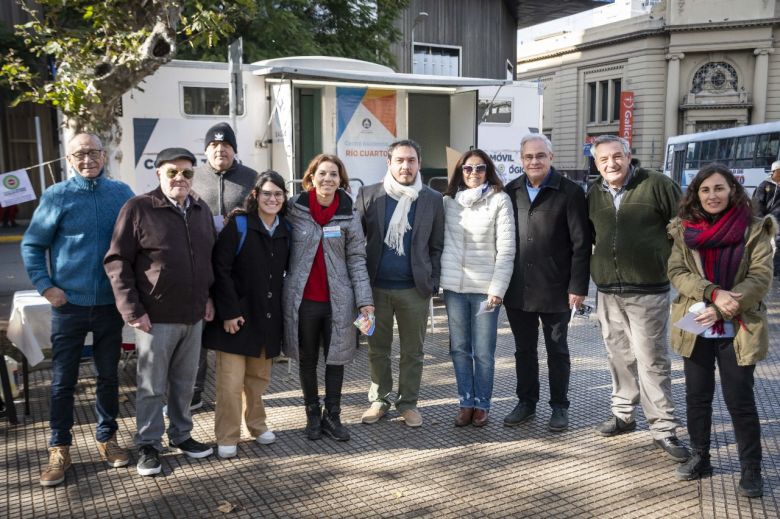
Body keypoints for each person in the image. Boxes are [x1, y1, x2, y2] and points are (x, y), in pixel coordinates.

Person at [22, 133, 134, 487]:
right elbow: (32, 245)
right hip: (68, 306)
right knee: (62, 382)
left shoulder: (121, 194)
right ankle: (59, 447)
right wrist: (46, 286)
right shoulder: (57, 196)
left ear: (104, 155)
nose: (88, 159)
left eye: (94, 152)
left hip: (108, 306)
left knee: (108, 377)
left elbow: (139, 240)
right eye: (80, 154)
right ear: (69, 160)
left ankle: (107, 438)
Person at [104, 147, 216, 476]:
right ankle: (148, 444)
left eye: (187, 173)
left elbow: (206, 259)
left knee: (184, 383)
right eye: (172, 172)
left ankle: (181, 435)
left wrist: (208, 297)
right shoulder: (138, 208)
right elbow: (117, 261)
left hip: (193, 315)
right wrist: (133, 310)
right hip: (154, 318)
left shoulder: (200, 209)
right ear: (158, 174)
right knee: (152, 386)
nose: (180, 178)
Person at [668, 164, 773, 497]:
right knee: (697, 397)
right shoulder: (685, 230)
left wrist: (724, 307)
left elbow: (760, 278)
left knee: (739, 399)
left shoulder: (755, 229)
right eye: (705, 190)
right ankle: (701, 457)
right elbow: (676, 270)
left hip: (738, 326)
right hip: (696, 323)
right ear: (696, 194)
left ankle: (750, 469)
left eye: (719, 188)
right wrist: (711, 293)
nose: (712, 195)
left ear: (733, 190)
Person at [587, 135, 690, 462]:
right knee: (618, 357)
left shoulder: (657, 184)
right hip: (608, 291)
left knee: (651, 360)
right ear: (596, 163)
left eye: (617, 156)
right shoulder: (595, 193)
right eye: (603, 160)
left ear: (629, 156)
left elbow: (685, 230)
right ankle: (623, 415)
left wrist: (682, 274)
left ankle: (663, 427)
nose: (611, 164)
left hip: (648, 291)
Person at [502, 135, 590, 432]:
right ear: (521, 159)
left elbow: (581, 244)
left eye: (540, 156)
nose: (534, 161)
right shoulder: (510, 191)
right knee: (523, 351)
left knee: (558, 351)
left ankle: (559, 407)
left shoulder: (570, 192)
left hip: (556, 289)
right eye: (529, 157)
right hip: (518, 289)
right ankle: (526, 403)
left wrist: (577, 287)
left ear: (551, 157)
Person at [282, 154, 373, 441]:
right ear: (311, 177)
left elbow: (357, 258)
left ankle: (332, 416)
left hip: (339, 302)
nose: (328, 179)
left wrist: (364, 300)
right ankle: (312, 414)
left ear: (340, 181)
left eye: (334, 174)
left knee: (336, 359)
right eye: (322, 173)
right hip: (304, 300)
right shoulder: (294, 209)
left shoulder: (348, 213)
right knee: (307, 359)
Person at [355, 139, 445, 427]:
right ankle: (379, 400)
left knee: (413, 352)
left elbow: (437, 246)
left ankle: (408, 403)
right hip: (374, 290)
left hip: (414, 290)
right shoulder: (370, 195)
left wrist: (433, 282)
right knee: (377, 349)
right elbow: (356, 243)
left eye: (411, 160)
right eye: (400, 160)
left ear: (419, 163)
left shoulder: (432, 199)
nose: (405, 166)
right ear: (389, 163)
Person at [202, 171, 290, 458]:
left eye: (278, 194)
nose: (272, 198)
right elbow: (220, 269)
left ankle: (257, 424)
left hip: (266, 320)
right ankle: (227, 435)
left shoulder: (285, 229)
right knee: (229, 383)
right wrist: (228, 312)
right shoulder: (239, 225)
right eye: (267, 193)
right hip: (235, 319)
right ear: (255, 195)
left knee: (258, 380)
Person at [440, 149, 515, 427]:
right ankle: (466, 402)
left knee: (483, 351)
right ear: (459, 172)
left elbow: (507, 250)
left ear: (488, 171)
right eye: (468, 169)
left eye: (480, 168)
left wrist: (498, 288)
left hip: (486, 290)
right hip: (454, 290)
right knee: (459, 349)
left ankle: (483, 404)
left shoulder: (499, 200)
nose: (473, 173)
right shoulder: (448, 202)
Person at [192, 122, 259, 411]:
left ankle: (243, 392)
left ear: (234, 149)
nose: (220, 150)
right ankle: (194, 391)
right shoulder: (193, 177)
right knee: (198, 330)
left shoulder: (250, 178)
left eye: (226, 145)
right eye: (214, 146)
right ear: (206, 150)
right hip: (200, 263)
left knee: (236, 324)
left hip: (239, 265)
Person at [751, 159, 780, 278]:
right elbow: (757, 204)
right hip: (770, 222)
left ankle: (775, 270)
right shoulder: (765, 185)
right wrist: (764, 221)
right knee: (772, 245)